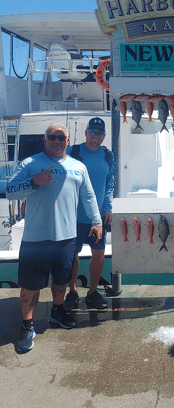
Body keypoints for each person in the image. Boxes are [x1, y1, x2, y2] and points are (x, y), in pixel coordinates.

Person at [6, 123, 102, 354]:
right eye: (52, 137)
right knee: (31, 287)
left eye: (61, 137)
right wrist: (33, 182)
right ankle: (27, 326)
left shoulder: (78, 166)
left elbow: (88, 195)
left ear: (68, 141)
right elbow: (10, 191)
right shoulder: (30, 163)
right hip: (36, 238)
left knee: (61, 281)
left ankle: (57, 312)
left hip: (66, 238)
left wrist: (96, 221)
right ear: (45, 140)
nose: (57, 141)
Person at [64, 117, 115, 310]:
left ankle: (92, 292)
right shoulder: (72, 152)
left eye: (99, 133)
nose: (95, 136)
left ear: (103, 136)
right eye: (91, 132)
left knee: (99, 253)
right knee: (72, 254)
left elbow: (110, 183)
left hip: (97, 217)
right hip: (73, 214)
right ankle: (72, 291)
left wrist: (107, 207)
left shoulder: (109, 156)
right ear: (85, 133)